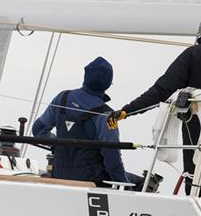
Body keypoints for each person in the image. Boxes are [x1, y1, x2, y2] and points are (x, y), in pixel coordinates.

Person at [108, 5, 201, 208]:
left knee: (197, 202)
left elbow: (160, 91)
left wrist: (126, 111)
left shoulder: (193, 55)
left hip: (199, 143)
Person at [32, 57, 130, 186]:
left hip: (59, 177)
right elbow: (112, 160)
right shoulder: (107, 115)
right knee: (140, 183)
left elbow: (38, 131)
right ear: (108, 84)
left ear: (85, 76)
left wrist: (59, 144)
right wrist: (125, 186)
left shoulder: (62, 98)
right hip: (90, 183)